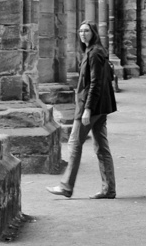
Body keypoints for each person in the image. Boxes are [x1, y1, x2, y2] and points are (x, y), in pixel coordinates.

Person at [48, 21, 117, 199]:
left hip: (92, 107)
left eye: (86, 30)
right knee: (102, 147)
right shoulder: (94, 51)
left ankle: (66, 186)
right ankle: (109, 189)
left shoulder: (94, 53)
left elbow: (95, 83)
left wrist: (87, 109)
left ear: (93, 32)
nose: (82, 33)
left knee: (74, 144)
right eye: (80, 30)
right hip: (101, 107)